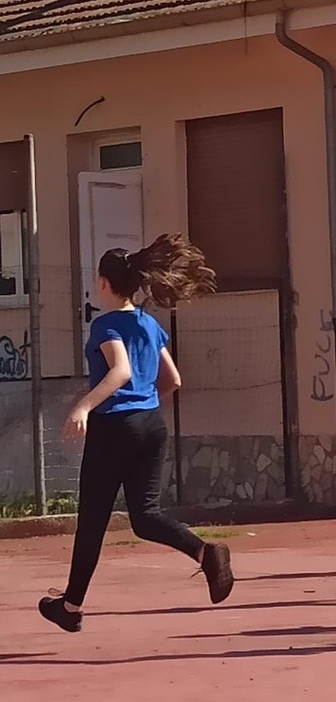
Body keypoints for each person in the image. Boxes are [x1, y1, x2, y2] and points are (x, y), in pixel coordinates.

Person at [38, 234, 234, 633]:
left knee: (92, 521)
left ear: (104, 283)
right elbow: (173, 380)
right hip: (151, 426)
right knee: (145, 517)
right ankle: (205, 553)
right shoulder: (148, 323)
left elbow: (121, 370)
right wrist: (143, 407)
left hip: (114, 428)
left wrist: (83, 407)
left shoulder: (105, 325)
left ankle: (71, 607)